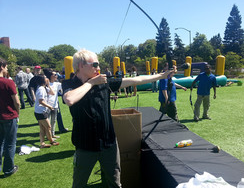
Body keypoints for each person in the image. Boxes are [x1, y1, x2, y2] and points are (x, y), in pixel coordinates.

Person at [62, 49, 173, 188]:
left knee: (114, 182)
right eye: (95, 64)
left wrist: (161, 76)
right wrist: (91, 83)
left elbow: (135, 80)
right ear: (81, 65)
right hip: (85, 145)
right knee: (79, 184)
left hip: (109, 143)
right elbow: (69, 99)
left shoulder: (104, 81)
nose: (98, 68)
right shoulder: (69, 84)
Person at [0, 58, 20, 177]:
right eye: (6, 66)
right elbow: (16, 102)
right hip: (9, 116)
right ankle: (8, 169)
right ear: (2, 67)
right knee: (10, 143)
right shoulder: (8, 82)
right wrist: (17, 113)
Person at [34, 74, 60, 148]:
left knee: (42, 128)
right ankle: (51, 141)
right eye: (45, 78)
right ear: (42, 80)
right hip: (40, 112)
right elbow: (41, 101)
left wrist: (48, 85)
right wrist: (49, 106)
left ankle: (42, 144)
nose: (47, 79)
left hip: (40, 111)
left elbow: (52, 93)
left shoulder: (44, 88)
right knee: (48, 127)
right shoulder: (41, 89)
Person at [44, 69, 64, 138]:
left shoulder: (57, 84)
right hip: (47, 106)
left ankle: (52, 134)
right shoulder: (45, 84)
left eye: (56, 74)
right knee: (48, 122)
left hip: (55, 105)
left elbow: (64, 86)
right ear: (50, 76)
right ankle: (48, 135)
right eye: (55, 75)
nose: (56, 76)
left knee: (54, 121)